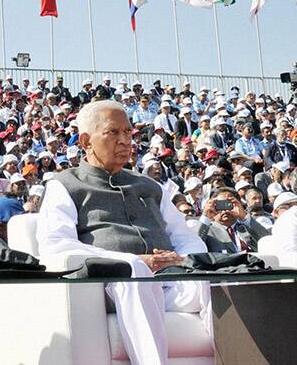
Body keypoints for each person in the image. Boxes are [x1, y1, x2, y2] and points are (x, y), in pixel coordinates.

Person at [37, 100, 209, 365]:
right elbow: (56, 245)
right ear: (86, 141)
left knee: (221, 277)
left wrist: (184, 260)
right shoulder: (65, 185)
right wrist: (132, 261)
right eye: (113, 132)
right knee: (133, 274)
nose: (125, 141)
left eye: (128, 132)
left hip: (168, 281)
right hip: (111, 287)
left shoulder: (150, 185)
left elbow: (185, 237)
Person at [193, 187, 270, 253]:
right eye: (220, 205)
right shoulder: (207, 230)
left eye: (229, 205)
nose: (225, 210)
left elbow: (268, 241)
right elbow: (194, 245)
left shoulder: (248, 226)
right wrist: (205, 217)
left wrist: (244, 216)